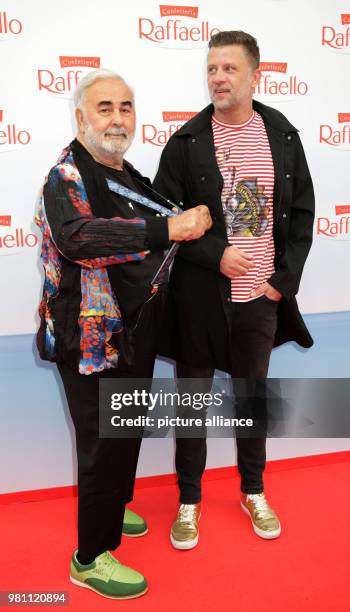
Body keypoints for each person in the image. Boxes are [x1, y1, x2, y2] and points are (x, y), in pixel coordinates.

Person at [35, 69, 212, 598]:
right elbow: (77, 238)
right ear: (81, 117)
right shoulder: (65, 176)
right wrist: (168, 229)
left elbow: (159, 219)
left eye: (126, 107)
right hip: (88, 342)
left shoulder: (124, 171)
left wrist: (189, 219)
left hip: (133, 334)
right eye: (105, 107)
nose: (117, 118)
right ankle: (89, 558)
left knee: (126, 431)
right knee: (102, 446)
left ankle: (112, 506)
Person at [154, 30, 315, 550]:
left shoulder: (283, 135)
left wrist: (280, 284)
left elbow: (304, 214)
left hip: (259, 299)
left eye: (229, 69)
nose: (218, 78)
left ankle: (253, 490)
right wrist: (213, 254)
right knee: (192, 404)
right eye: (212, 69)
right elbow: (164, 221)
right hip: (200, 299)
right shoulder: (185, 143)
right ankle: (189, 500)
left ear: (255, 75)